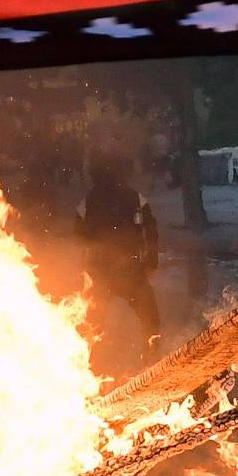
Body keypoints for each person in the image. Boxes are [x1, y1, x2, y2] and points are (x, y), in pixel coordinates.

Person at [79, 152, 162, 360]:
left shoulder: (89, 201)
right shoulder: (134, 198)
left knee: (94, 321)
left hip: (110, 272)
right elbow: (151, 229)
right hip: (122, 271)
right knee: (149, 316)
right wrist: (151, 260)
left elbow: (78, 234)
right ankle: (150, 355)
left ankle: (88, 360)